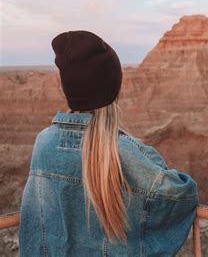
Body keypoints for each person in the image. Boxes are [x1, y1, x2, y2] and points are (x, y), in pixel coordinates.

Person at [19, 31, 198, 256]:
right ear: (113, 91)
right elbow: (180, 195)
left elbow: (35, 224)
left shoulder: (43, 143)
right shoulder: (123, 151)